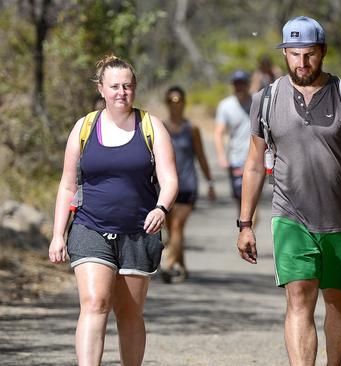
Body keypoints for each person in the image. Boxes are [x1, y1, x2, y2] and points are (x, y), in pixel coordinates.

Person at [236, 16, 341, 366]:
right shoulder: (267, 99)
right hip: (291, 216)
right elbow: (255, 164)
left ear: (323, 52)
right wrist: (245, 223)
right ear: (285, 54)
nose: (302, 63)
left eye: (310, 55)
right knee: (299, 298)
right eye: (294, 54)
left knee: (338, 300)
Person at [48, 54, 178, 366]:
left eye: (128, 86)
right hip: (90, 227)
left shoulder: (151, 127)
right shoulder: (84, 128)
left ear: (135, 89)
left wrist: (162, 207)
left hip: (137, 232)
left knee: (129, 312)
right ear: (102, 89)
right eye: (115, 86)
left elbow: (170, 178)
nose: (122, 92)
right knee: (95, 302)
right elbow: (67, 185)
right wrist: (57, 234)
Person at [161, 85, 216, 283]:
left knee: (177, 226)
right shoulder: (160, 128)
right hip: (165, 188)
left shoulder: (192, 129)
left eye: (178, 100)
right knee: (171, 228)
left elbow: (201, 157)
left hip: (187, 185)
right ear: (166, 104)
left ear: (184, 103)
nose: (175, 105)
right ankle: (182, 265)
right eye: (171, 101)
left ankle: (168, 265)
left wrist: (209, 181)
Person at [214, 70, 252, 214]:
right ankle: (245, 231)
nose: (239, 87)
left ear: (248, 85)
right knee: (240, 201)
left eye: (242, 84)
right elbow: (218, 133)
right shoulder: (226, 105)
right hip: (236, 160)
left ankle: (248, 229)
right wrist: (222, 156)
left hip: (255, 160)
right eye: (236, 84)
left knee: (252, 200)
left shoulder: (258, 101)